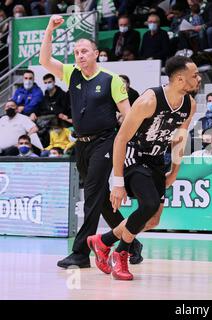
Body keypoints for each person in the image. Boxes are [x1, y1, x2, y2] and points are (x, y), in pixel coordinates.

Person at [39, 15, 143, 269]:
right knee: (101, 199)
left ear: (96, 53)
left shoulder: (111, 80)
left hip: (105, 141)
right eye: (76, 52)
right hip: (81, 144)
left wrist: (126, 144)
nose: (80, 55)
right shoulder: (71, 73)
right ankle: (131, 241)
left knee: (93, 195)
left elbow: (129, 116)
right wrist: (49, 29)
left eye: (84, 51)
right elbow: (44, 60)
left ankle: (80, 252)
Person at [87, 56, 200, 280]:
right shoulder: (149, 100)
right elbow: (121, 139)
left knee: (152, 220)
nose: (198, 78)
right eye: (194, 75)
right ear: (179, 79)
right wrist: (117, 182)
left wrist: (174, 172)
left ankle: (103, 241)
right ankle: (121, 254)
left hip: (157, 160)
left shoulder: (190, 104)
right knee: (148, 204)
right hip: (133, 155)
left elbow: (179, 139)